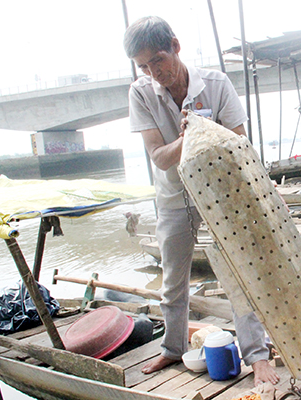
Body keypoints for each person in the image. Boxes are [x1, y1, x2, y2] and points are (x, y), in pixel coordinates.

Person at [123, 16, 279, 387]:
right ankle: (172, 348)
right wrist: (190, 135)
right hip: (174, 198)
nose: (153, 71)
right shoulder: (141, 92)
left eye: (157, 60)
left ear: (175, 46)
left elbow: (239, 145)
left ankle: (256, 354)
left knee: (239, 274)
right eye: (143, 66)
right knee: (174, 279)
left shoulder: (216, 83)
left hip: (221, 195)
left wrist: (267, 194)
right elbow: (160, 157)